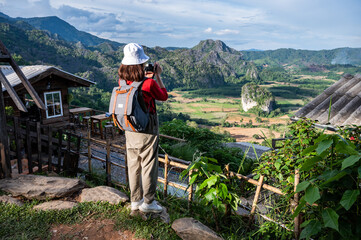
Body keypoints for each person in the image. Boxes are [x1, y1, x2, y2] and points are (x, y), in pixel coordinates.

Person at [118, 43, 168, 213]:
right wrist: (157, 76)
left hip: (129, 128)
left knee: (133, 165)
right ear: (141, 64)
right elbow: (163, 96)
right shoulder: (148, 84)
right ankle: (148, 203)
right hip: (147, 129)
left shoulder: (122, 81)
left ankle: (135, 200)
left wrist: (147, 77)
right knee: (148, 165)